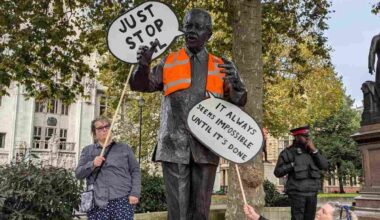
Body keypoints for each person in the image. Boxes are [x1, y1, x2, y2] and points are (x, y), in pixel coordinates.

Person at [129, 8, 247, 220]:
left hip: (207, 145)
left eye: (198, 27)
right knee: (179, 212)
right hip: (174, 144)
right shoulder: (169, 61)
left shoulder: (221, 65)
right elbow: (141, 85)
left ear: (208, 34)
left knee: (201, 211)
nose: (191, 32)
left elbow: (238, 101)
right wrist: (143, 64)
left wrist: (237, 84)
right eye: (188, 26)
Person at [75, 117, 141, 220]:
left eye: (107, 126)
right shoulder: (87, 150)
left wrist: (135, 193)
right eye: (100, 128)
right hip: (97, 202)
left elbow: (135, 171)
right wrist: (92, 164)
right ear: (94, 132)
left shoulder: (124, 148)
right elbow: (78, 174)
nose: (104, 129)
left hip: (122, 200)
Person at [274, 125, 329, 220]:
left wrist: (315, 151)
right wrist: (292, 165)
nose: (308, 139)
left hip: (312, 193)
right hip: (297, 194)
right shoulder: (288, 152)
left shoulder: (313, 152)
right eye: (305, 136)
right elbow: (278, 172)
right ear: (297, 137)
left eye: (308, 136)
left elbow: (325, 166)